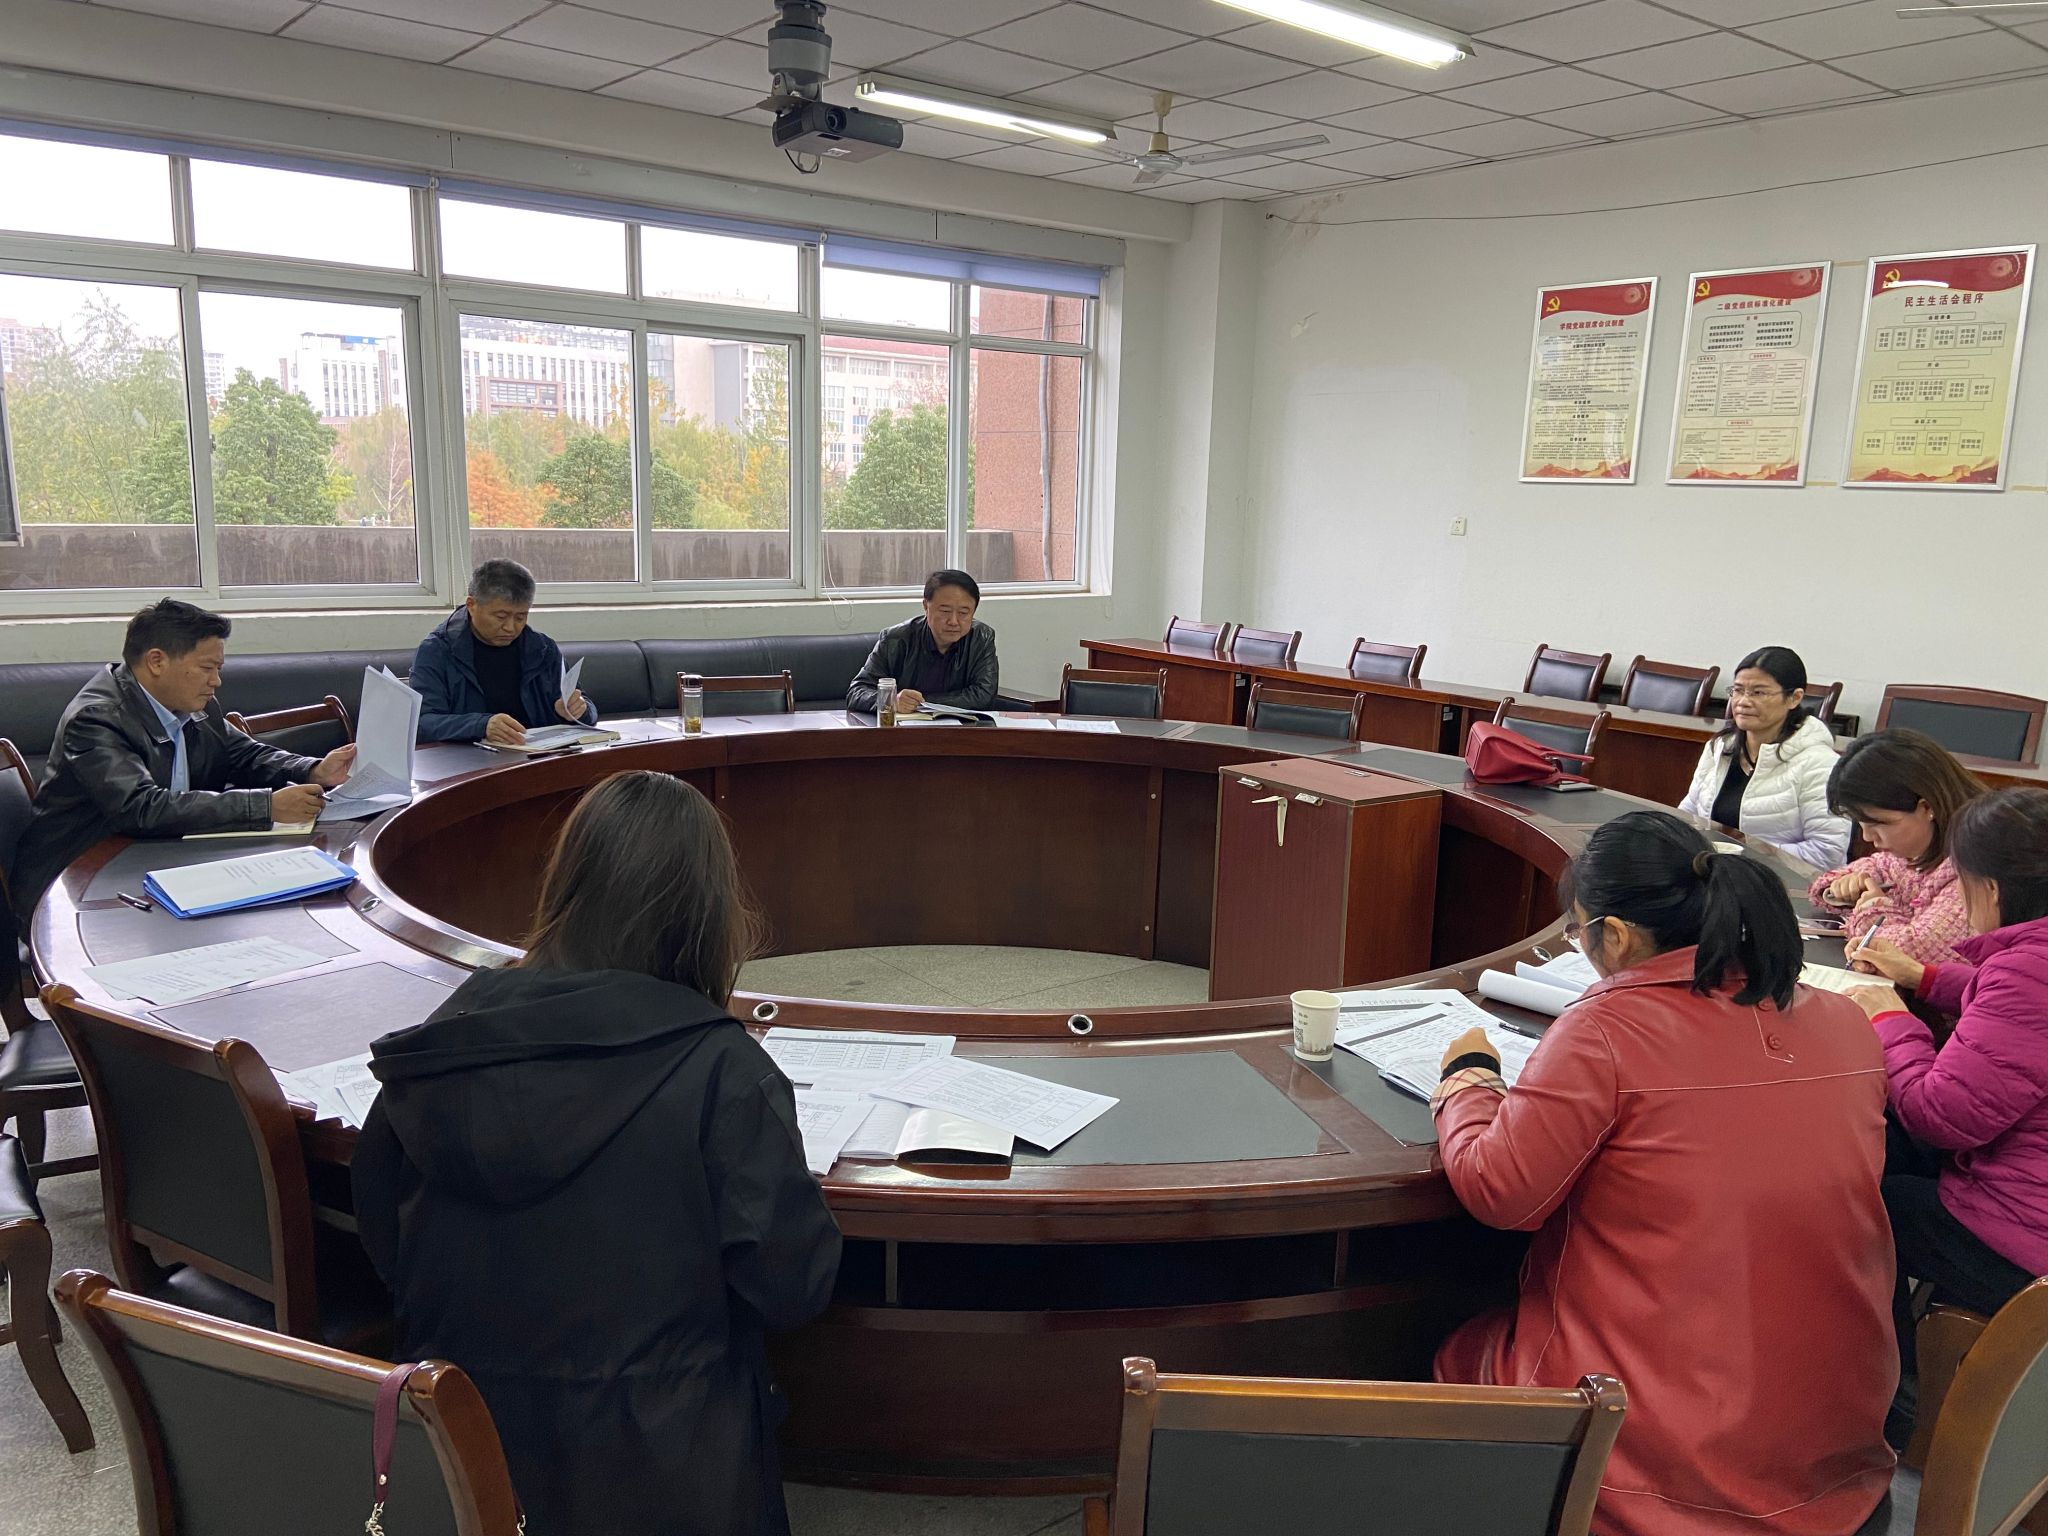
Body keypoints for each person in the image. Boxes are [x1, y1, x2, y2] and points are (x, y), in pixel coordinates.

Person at [351, 770, 841, 1536]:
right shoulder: (723, 1073)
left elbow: (385, 1237)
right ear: (706, 914)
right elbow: (792, 1286)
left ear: (567, 888)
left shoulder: (441, 1046)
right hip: (668, 1466)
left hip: (467, 1450)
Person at [1432, 810, 1895, 1536]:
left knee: (1451, 1351)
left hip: (1658, 1460)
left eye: (1579, 932)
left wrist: (1467, 1083)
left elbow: (1501, 1194)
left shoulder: (1605, 1030)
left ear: (1614, 936)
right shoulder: (1843, 1020)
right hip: (1833, 1452)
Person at [1849, 788, 2048, 1386]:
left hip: (2023, 1238)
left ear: (1990, 889)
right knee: (1879, 1150)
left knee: (1846, 1206)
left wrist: (1890, 1018)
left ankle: (1893, 1395)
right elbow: (2017, 1015)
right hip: (2028, 1193)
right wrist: (1924, 977)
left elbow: (1941, 1117)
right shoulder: (2029, 965)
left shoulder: (2026, 971)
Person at [7, 599, 355, 918]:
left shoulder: (194, 705)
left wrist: (313, 769)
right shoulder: (97, 718)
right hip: (77, 882)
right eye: (207, 668)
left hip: (162, 859)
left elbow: (244, 753)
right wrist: (266, 806)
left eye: (218, 668)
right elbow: (140, 807)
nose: (216, 681)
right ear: (157, 661)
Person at [1811, 729, 1985, 971]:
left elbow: (1910, 955)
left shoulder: (1978, 864)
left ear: (1927, 807)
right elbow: (1880, 865)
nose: (1867, 837)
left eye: (1879, 823)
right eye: (1860, 823)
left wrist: (1873, 909)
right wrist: (1848, 885)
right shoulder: (1917, 848)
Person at [1677, 645, 1848, 867]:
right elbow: (1689, 813)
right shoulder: (1720, 746)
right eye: (1738, 690)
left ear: (1794, 698)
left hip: (1781, 881)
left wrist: (1746, 851)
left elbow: (1827, 853)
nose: (1743, 701)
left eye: (1758, 693)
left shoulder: (1820, 764)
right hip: (1713, 870)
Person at [410, 559, 597, 744]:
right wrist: (481, 726)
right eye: (501, 616)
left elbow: (587, 707)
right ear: (471, 605)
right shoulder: (437, 651)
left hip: (539, 754)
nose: (510, 627)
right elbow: (421, 723)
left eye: (521, 617)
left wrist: (578, 710)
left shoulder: (542, 649)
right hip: (471, 757)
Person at [846, 568, 999, 714]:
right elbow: (857, 691)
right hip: (906, 729)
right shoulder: (895, 639)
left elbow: (984, 696)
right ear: (926, 606)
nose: (953, 621)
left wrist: (922, 703)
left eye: (963, 613)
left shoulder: (981, 638)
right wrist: (892, 701)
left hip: (963, 728)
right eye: (945, 611)